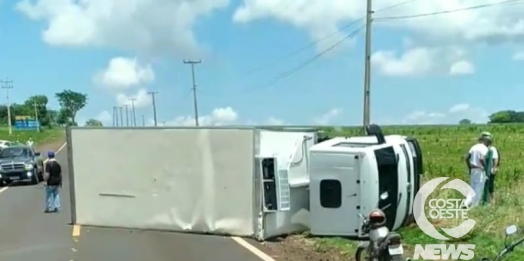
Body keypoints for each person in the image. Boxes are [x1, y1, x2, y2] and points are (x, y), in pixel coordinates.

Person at [464, 135, 489, 208]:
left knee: (472, 187)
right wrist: (486, 168)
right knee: (478, 188)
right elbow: (481, 158)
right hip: (480, 170)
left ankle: (466, 202)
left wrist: (469, 168)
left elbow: (467, 158)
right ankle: (474, 206)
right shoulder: (484, 148)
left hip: (473, 169)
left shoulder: (474, 147)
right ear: (485, 141)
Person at [482, 132, 499, 203]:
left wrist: (494, 168)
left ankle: (492, 200)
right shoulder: (481, 148)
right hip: (482, 170)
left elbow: (495, 159)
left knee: (490, 184)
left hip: (490, 169)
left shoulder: (492, 149)